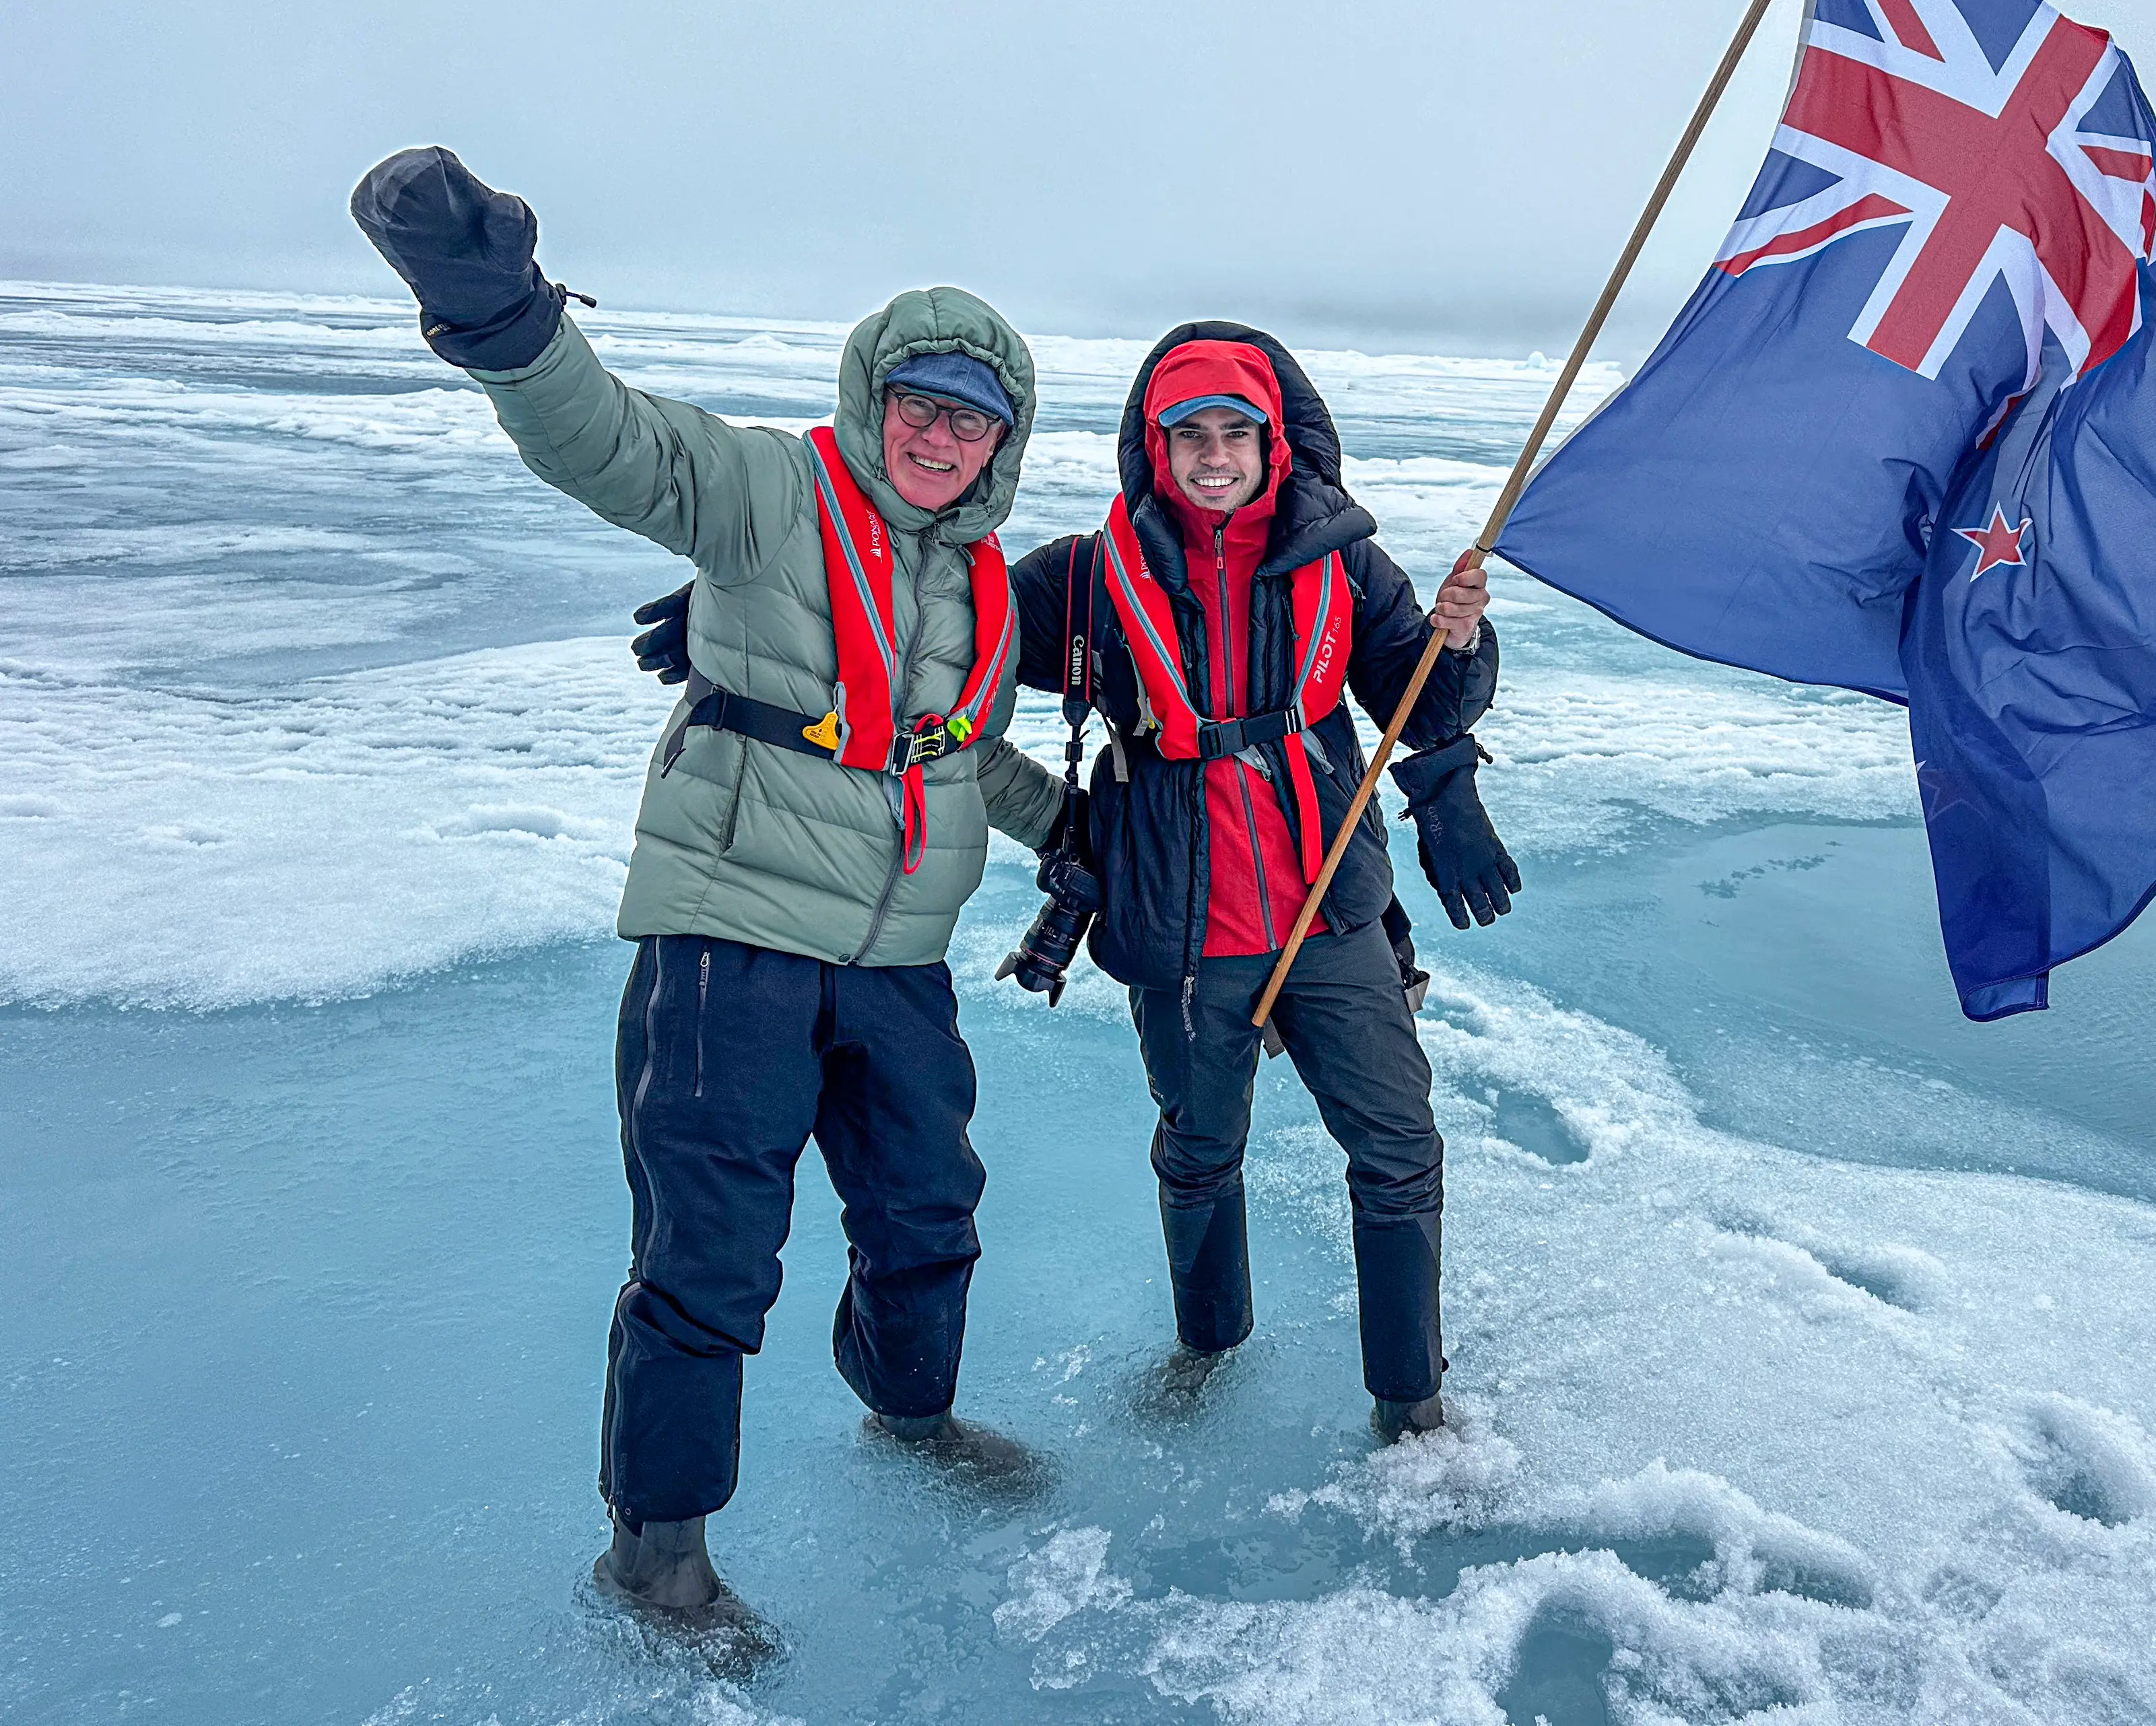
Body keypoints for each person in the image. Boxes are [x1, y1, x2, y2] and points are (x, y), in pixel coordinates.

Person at [349, 147, 1068, 1620]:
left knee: (930, 1211)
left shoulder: (987, 588)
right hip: (729, 938)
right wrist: (505, 321)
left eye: (972, 420)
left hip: (900, 959)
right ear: (875, 400)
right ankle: (654, 1549)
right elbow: (615, 445)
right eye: (920, 404)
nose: (940, 437)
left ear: (1006, 442)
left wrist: (1083, 832)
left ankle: (910, 1412)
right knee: (710, 1253)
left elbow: (960, 756)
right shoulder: (769, 491)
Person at [1007, 324, 1518, 1439]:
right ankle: (1209, 1343)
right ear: (1156, 447)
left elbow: (1421, 710)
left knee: (1397, 1146)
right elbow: (943, 625)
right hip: (1178, 924)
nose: (1214, 455)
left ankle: (1410, 1397)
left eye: (1237, 433)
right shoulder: (1087, 575)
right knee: (1198, 1150)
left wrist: (1460, 644)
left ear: (1275, 442)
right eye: (1189, 436)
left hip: (1329, 907)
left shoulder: (1341, 562)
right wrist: (764, 616)